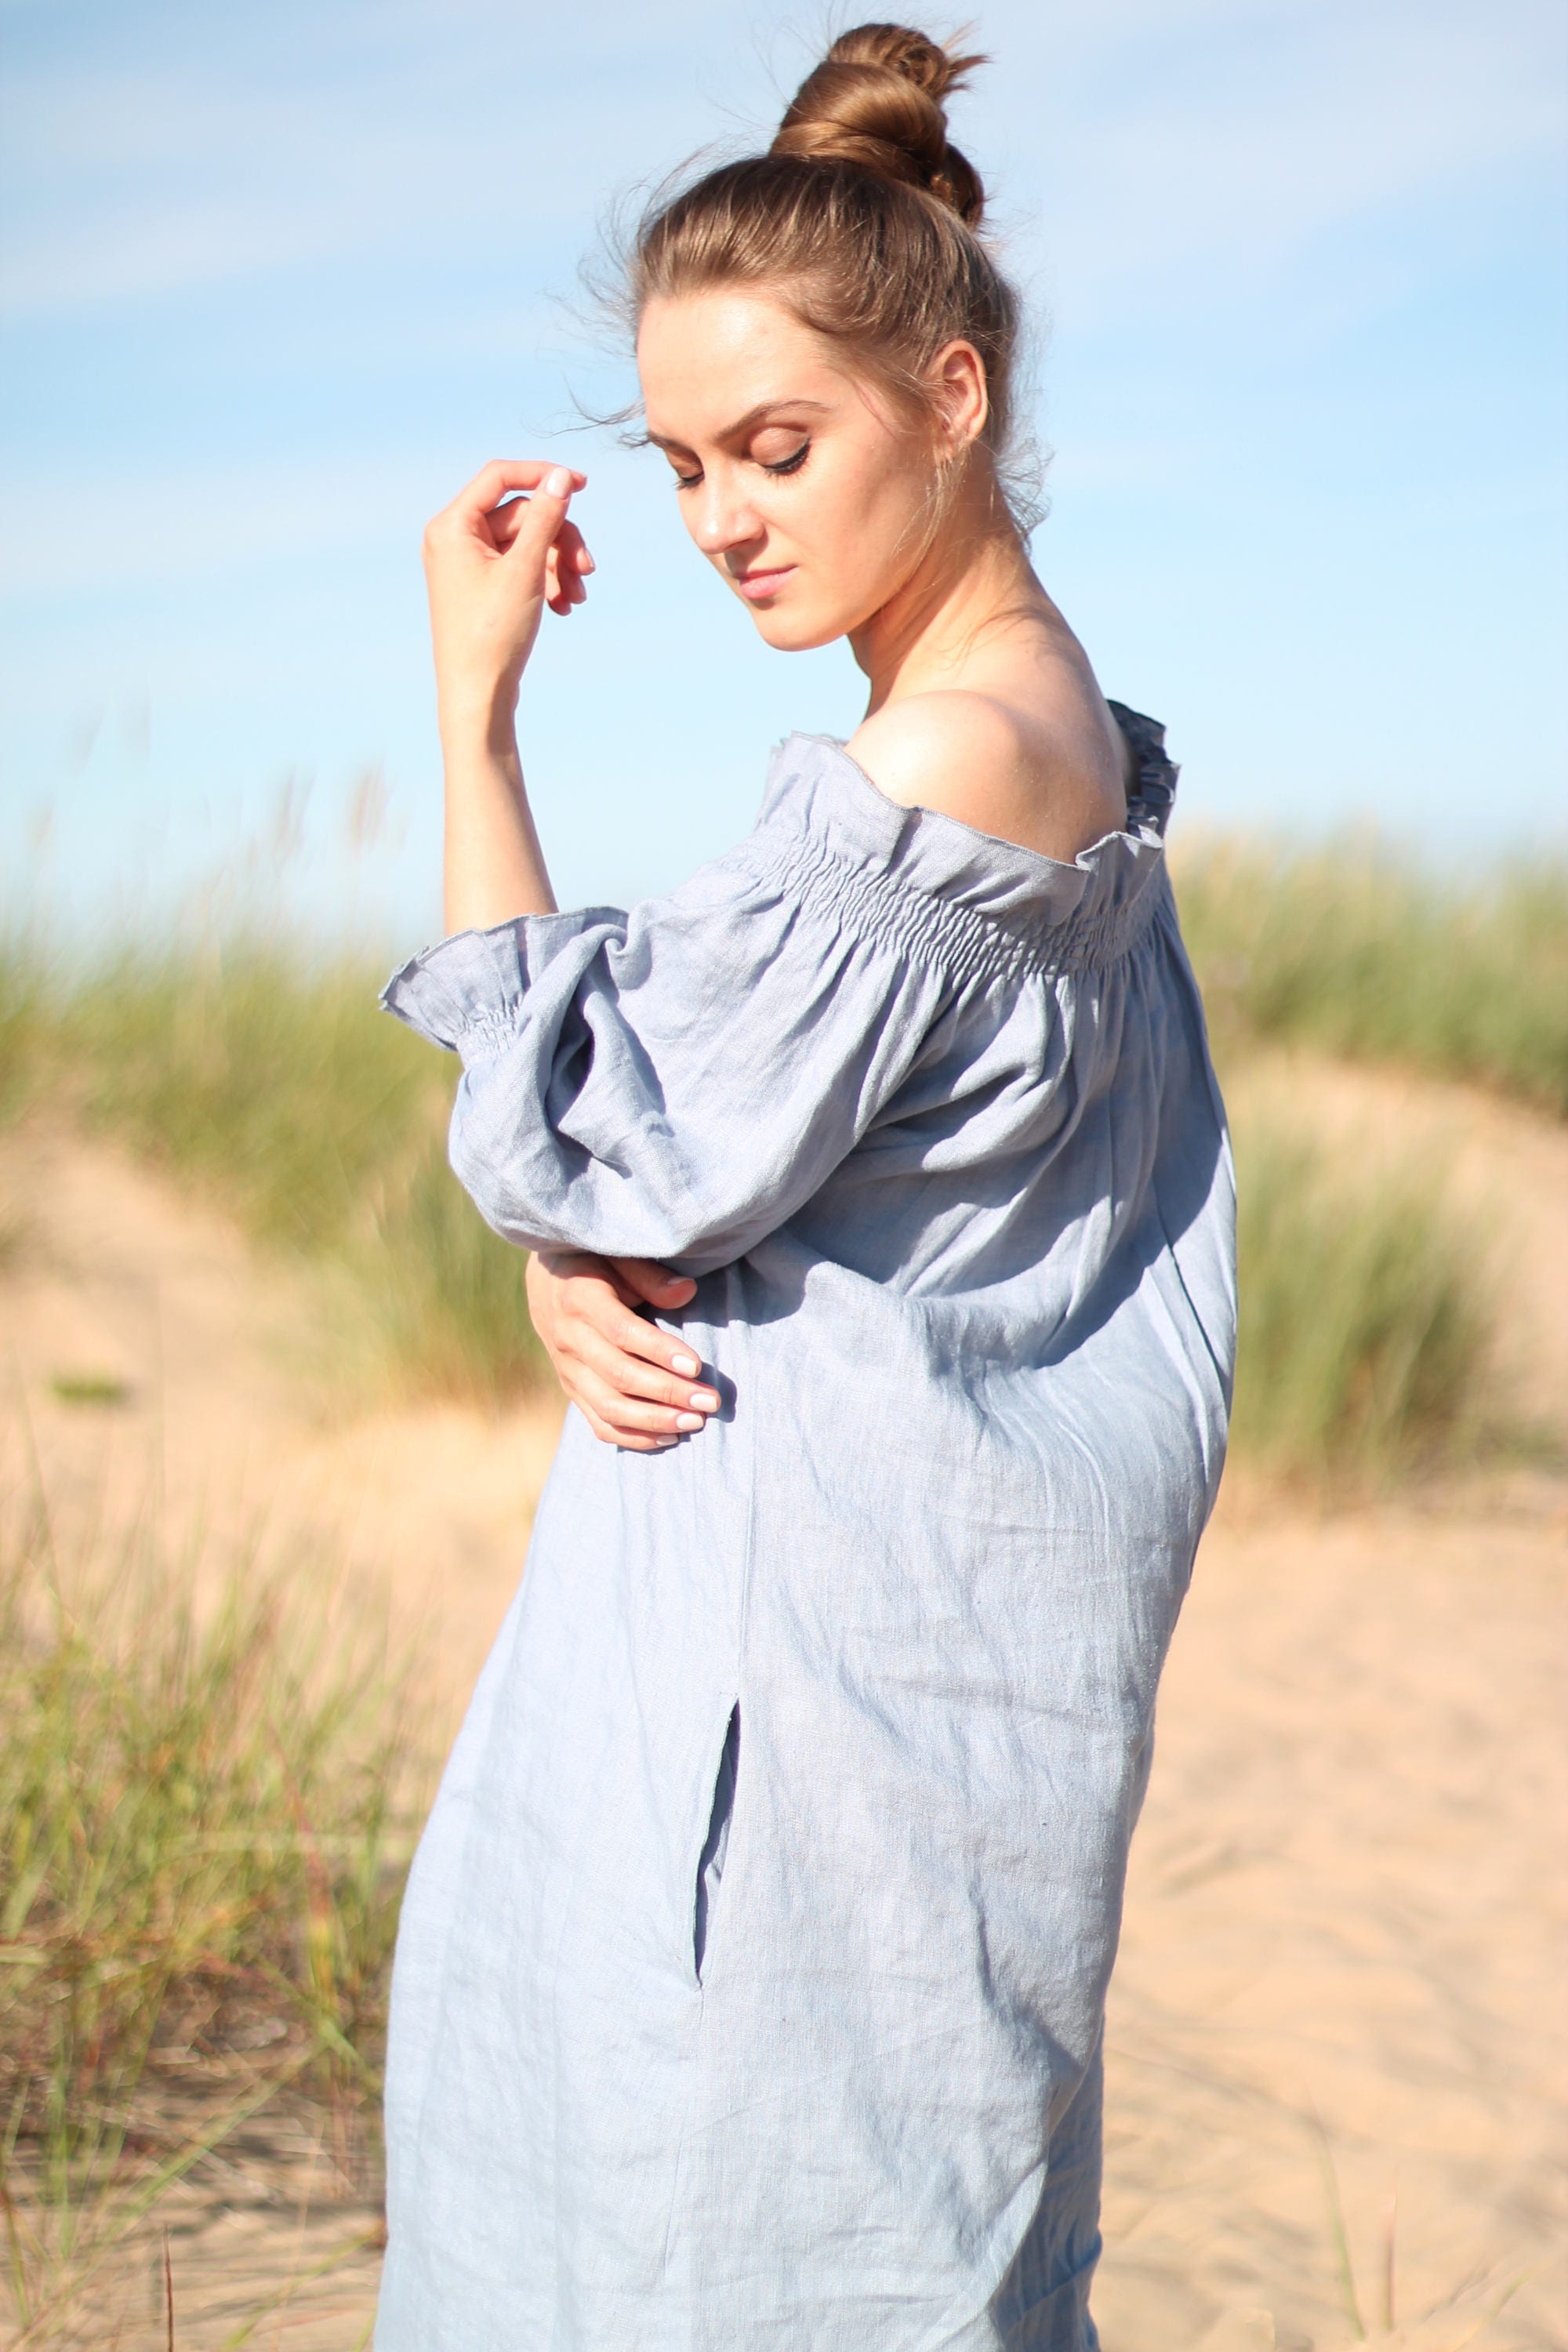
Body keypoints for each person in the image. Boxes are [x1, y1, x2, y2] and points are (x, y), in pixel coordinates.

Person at [372, 24, 1236, 2350]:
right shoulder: (1063, 737)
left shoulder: (943, 764)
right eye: (676, 467)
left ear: (950, 396)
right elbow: (684, 1182)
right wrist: (597, 1246)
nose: (725, 516)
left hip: (801, 1729)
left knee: (717, 2249)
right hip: (902, 1692)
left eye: (780, 445)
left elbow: (596, 1133)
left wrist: (470, 723)